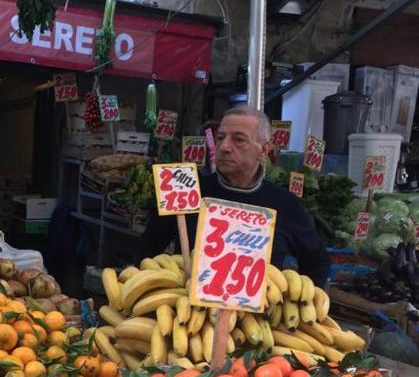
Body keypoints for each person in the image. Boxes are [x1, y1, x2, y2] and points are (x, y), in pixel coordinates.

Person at [142, 106, 331, 285]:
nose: (224, 147)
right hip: (189, 315)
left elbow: (317, 261)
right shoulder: (189, 190)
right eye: (220, 137)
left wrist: (302, 305)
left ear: (263, 150)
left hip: (258, 317)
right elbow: (147, 252)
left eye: (238, 140)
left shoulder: (284, 203)